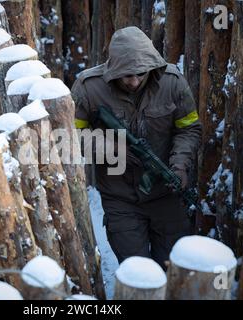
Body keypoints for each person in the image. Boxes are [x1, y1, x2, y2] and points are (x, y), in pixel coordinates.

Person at [71, 26, 202, 270]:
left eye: (141, 74)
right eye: (127, 75)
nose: (134, 81)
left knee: (171, 268)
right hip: (119, 198)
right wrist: (113, 150)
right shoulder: (89, 87)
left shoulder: (172, 83)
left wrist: (180, 165)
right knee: (137, 271)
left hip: (166, 196)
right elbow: (68, 135)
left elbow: (189, 128)